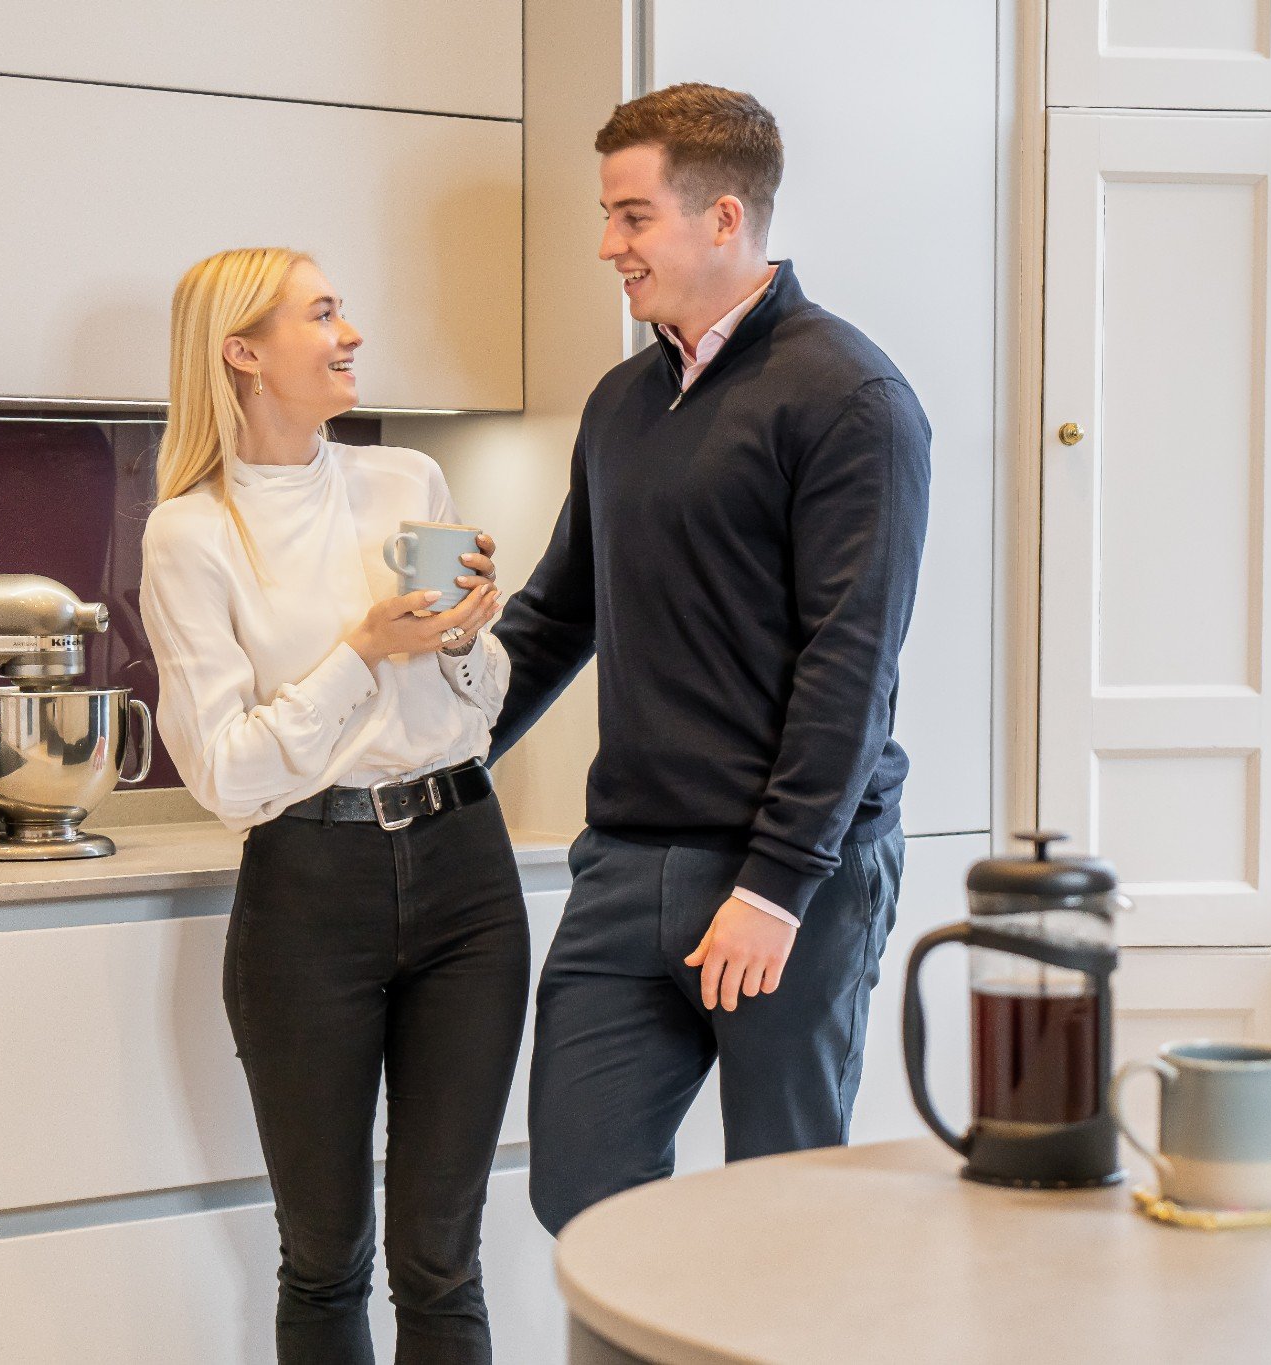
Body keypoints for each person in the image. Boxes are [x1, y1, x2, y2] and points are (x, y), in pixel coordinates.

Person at [490, 84, 933, 1235]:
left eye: (631, 218)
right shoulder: (622, 403)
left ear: (722, 217)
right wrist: (431, 754)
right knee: (582, 1199)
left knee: (782, 1215)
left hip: (790, 876)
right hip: (628, 864)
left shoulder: (850, 398)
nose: (607, 247)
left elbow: (850, 665)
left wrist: (776, 886)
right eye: (608, 216)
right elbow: (553, 618)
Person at [139, 246, 524, 1364]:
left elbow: (481, 707)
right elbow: (225, 776)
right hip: (309, 893)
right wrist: (363, 651)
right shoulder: (192, 533)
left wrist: (460, 637)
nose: (349, 332)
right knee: (325, 1260)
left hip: (466, 870)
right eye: (321, 313)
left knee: (443, 1261)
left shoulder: (404, 483)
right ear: (243, 353)